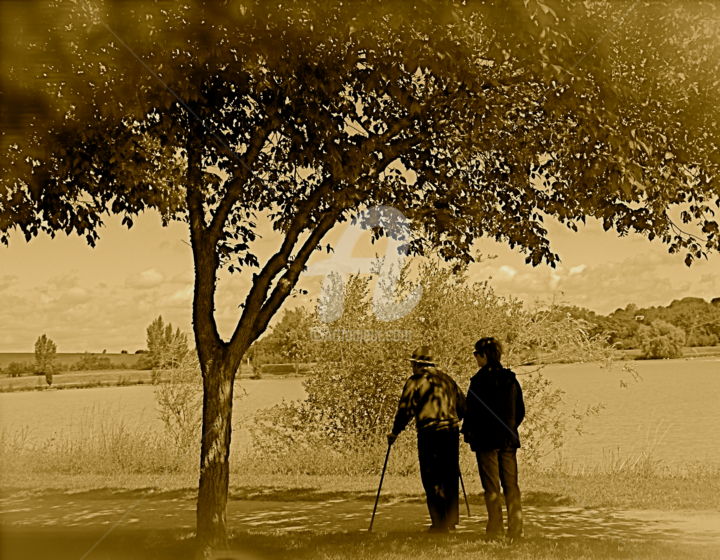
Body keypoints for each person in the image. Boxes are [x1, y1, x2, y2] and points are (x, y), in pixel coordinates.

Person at [387, 346, 466, 533]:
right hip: (451, 432)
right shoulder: (447, 380)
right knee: (450, 475)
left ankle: (439, 523)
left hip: (429, 433)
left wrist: (395, 432)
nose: (411, 367)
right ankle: (451, 520)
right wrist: (452, 419)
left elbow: (405, 410)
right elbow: (463, 406)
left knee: (432, 477)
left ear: (418, 364)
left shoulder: (415, 381)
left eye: (413, 364)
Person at [462, 337, 525, 541]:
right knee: (511, 485)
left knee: (491, 487)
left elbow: (469, 411)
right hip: (508, 440)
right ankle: (515, 530)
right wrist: (510, 427)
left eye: (476, 354)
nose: (474, 358)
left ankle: (495, 529)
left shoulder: (478, 381)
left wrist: (470, 434)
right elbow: (521, 410)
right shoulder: (511, 379)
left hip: (485, 442)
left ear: (484, 356)